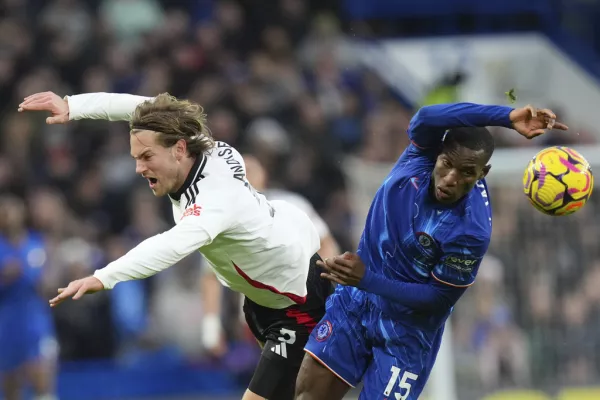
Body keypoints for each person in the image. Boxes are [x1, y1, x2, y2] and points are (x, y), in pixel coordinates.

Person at [18, 91, 333, 400]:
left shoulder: (213, 199)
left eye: (146, 157)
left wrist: (105, 276)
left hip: (297, 304)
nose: (139, 168)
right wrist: (72, 106)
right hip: (265, 297)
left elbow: (168, 246)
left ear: (179, 150)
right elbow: (142, 108)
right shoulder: (191, 141)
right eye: (136, 158)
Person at [294, 103, 568, 400]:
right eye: (447, 164)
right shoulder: (420, 155)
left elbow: (438, 298)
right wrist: (504, 117)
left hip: (407, 332)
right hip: (356, 303)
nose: (451, 178)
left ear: (482, 173)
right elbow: (425, 117)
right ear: (437, 154)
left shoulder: (472, 230)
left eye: (466, 172)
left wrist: (367, 279)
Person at [197, 154, 340, 356]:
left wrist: (324, 288)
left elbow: (326, 243)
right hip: (256, 320)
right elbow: (210, 277)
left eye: (251, 170)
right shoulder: (221, 220)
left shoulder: (291, 203)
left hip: (302, 306)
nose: (244, 176)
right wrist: (210, 330)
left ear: (265, 174)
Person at [0, 195, 58, 400]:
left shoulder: (37, 245)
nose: (8, 216)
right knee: (11, 388)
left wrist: (47, 282)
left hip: (35, 321)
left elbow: (50, 283)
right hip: (7, 325)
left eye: (12, 210)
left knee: (42, 381)